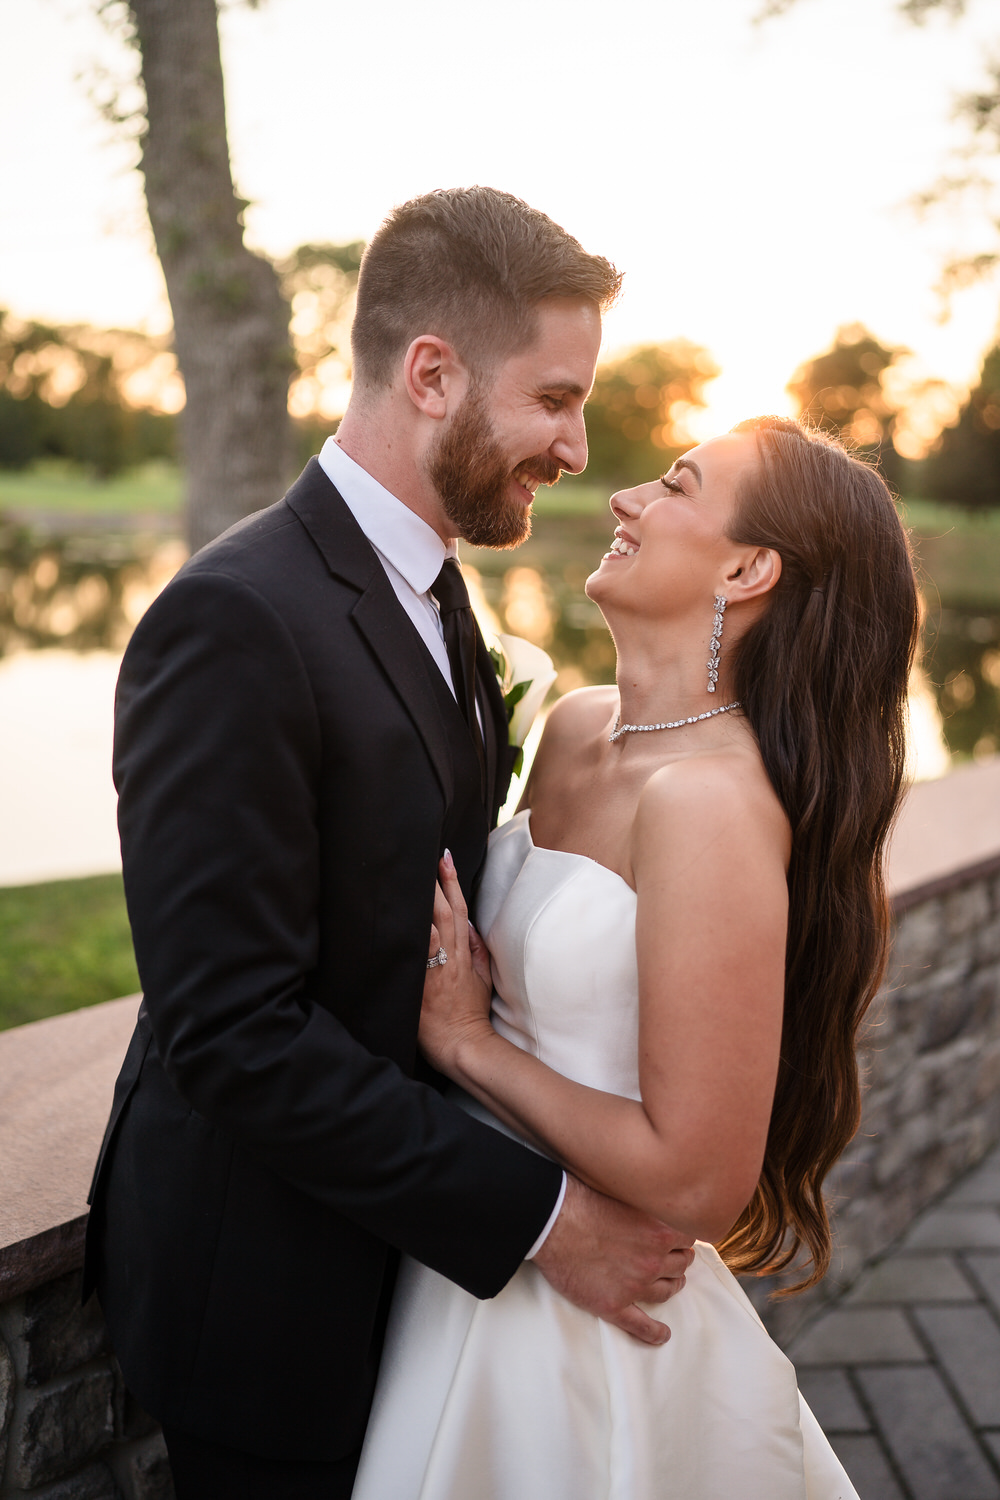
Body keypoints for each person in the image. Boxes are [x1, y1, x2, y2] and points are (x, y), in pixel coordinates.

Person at [81, 187, 696, 1500]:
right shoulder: (235, 624)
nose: (577, 447)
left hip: (401, 1277)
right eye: (554, 399)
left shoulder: (438, 595)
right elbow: (236, 1031)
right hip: (263, 1296)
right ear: (431, 373)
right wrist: (541, 1220)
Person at [350, 417, 920, 1499]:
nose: (622, 498)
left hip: (584, 1326)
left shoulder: (711, 804)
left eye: (675, 485)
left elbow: (702, 1181)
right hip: (461, 1257)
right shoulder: (571, 727)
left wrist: (470, 1048)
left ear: (747, 568)